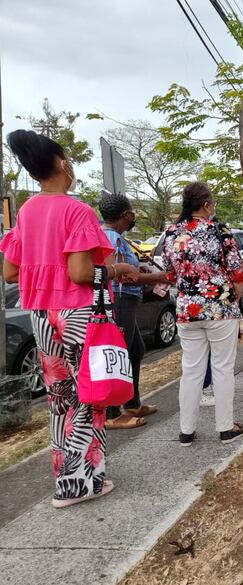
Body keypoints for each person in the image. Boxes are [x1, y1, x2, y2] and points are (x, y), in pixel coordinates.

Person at [1, 129, 139, 507]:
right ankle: (85, 482)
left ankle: (67, 481)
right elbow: (81, 274)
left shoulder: (27, 211)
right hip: (78, 313)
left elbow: (10, 272)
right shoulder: (76, 210)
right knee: (91, 394)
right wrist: (116, 270)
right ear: (63, 163)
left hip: (42, 314)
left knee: (60, 398)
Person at [162, 182, 243, 446]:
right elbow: (237, 271)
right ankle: (225, 428)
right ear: (207, 204)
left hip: (188, 310)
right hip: (220, 308)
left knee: (191, 370)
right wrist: (236, 296)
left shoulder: (172, 233)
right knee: (222, 368)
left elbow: (169, 273)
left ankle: (186, 431)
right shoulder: (219, 231)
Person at [99, 192, 169, 429]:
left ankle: (132, 402)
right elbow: (123, 277)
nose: (133, 217)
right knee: (119, 353)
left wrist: (140, 270)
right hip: (119, 300)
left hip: (126, 301)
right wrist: (160, 277)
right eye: (132, 213)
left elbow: (128, 271)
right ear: (126, 214)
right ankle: (111, 413)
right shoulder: (112, 239)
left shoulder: (117, 237)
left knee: (135, 349)